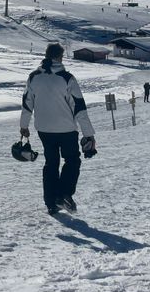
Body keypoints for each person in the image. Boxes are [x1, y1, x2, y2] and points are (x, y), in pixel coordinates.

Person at [20, 43, 96, 215]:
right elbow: (79, 108)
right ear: (60, 57)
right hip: (66, 129)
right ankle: (63, 194)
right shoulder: (66, 78)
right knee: (72, 160)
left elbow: (26, 104)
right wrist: (89, 135)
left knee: (51, 163)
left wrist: (24, 126)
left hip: (44, 129)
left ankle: (51, 203)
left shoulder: (33, 77)